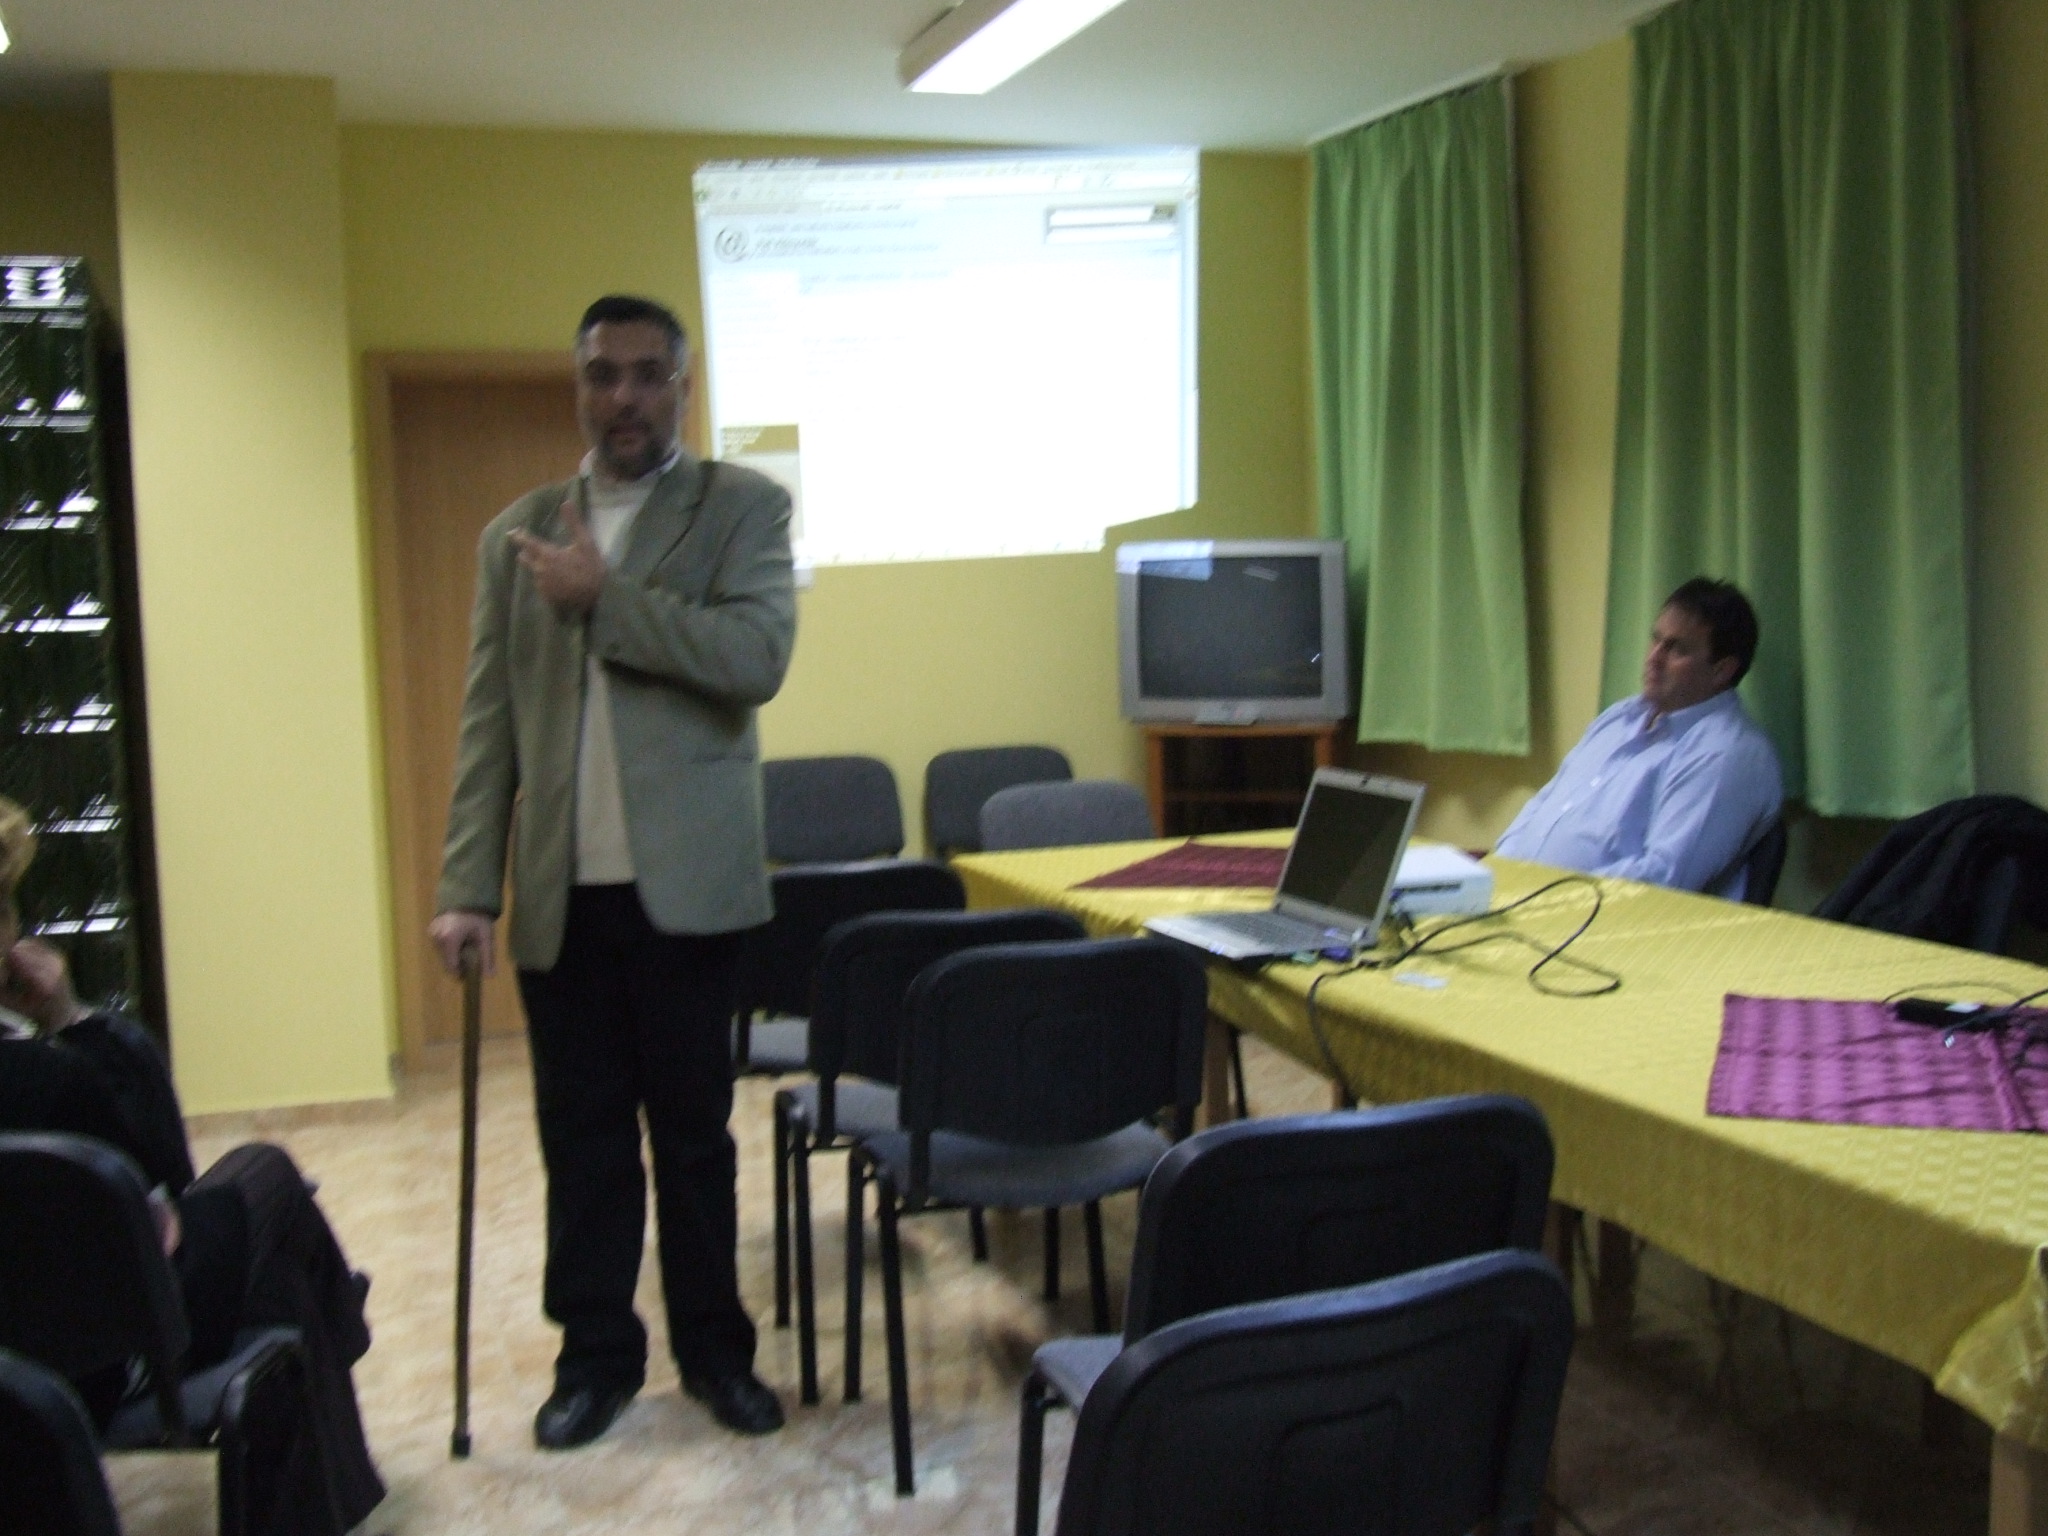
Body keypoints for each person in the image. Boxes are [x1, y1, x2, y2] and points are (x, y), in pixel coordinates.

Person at [429, 295, 797, 1449]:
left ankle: (714, 1356)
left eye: (646, 375)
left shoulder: (741, 508)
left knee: (692, 1142)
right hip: (559, 900)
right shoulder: (516, 535)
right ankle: (593, 1360)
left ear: (681, 388)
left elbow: (755, 658)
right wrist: (465, 886)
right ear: (578, 387)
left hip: (689, 895)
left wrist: (609, 602)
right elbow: (489, 721)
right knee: (582, 1144)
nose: (623, 396)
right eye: (602, 375)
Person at [0, 797, 383, 1535]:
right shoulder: (48, 1083)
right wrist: (70, 1018)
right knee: (268, 1184)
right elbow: (163, 1196)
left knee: (276, 1273)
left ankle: (332, 1339)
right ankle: (344, 1319)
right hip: (102, 1364)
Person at [1494, 577, 1783, 900]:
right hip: (1523, 899)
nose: (1654, 658)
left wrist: (1548, 897)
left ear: (1722, 670)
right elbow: (1544, 805)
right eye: (1655, 640)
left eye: (1677, 649)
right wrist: (1499, 874)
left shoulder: (1727, 753)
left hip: (1598, 917)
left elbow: (1665, 877)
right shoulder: (1618, 718)